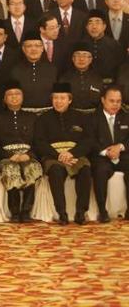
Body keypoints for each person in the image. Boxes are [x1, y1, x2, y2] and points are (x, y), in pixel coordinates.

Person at [35, 82, 94, 225]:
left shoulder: (81, 117)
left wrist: (72, 153)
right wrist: (59, 156)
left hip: (76, 155)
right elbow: (39, 142)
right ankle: (62, 213)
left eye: (62, 98)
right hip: (53, 156)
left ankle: (81, 211)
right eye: (55, 98)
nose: (58, 101)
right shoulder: (43, 118)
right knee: (55, 171)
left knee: (85, 170)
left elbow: (88, 140)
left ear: (70, 100)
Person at [0, 80, 42, 223]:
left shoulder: (32, 118)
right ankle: (15, 211)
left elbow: (39, 141)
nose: (14, 97)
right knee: (11, 169)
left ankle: (26, 210)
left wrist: (29, 155)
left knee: (31, 168)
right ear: (4, 99)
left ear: (23, 97)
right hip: (7, 157)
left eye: (17, 94)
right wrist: (10, 155)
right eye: (10, 94)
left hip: (28, 155)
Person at [90, 86, 129, 223]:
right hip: (102, 157)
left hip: (123, 155)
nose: (115, 104)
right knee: (100, 171)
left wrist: (120, 146)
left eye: (118, 101)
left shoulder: (126, 116)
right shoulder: (93, 118)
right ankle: (102, 211)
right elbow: (89, 141)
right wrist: (106, 152)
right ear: (103, 100)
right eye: (112, 101)